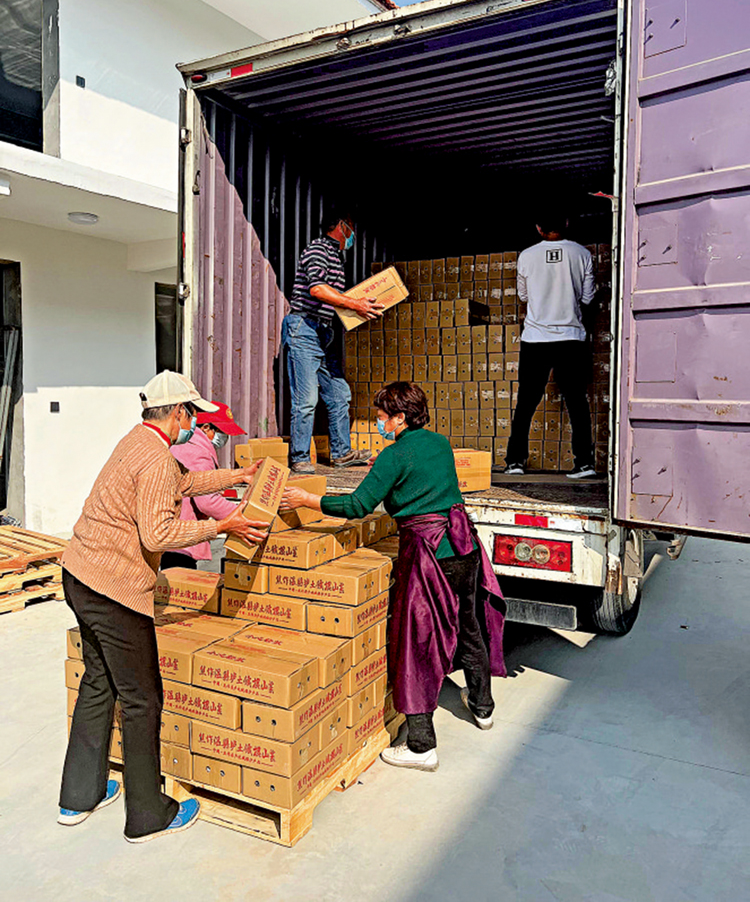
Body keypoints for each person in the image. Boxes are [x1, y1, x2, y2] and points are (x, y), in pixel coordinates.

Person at [58, 371, 269, 843]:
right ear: (177, 413)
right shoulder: (155, 458)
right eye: (191, 414)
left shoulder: (138, 441)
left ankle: (78, 795)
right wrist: (221, 527)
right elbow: (158, 535)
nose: (193, 423)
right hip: (114, 591)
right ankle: (148, 814)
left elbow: (184, 481)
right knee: (142, 699)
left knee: (98, 681)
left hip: (80, 575)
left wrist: (237, 476)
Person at [280, 381, 506, 772]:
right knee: (469, 625)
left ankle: (421, 746)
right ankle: (482, 707)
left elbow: (358, 505)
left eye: (382, 417)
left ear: (400, 417)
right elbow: (418, 477)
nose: (379, 423)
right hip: (464, 546)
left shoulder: (393, 455)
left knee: (416, 643)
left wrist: (307, 499)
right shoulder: (438, 443)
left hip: (429, 555)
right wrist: (385, 470)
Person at [283, 211, 383, 474]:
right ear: (341, 226)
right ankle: (299, 457)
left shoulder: (336, 257)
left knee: (339, 394)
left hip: (323, 332)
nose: (353, 234)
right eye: (351, 227)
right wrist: (355, 304)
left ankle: (341, 453)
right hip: (304, 329)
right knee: (306, 399)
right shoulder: (318, 249)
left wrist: (355, 306)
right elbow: (317, 288)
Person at [505, 210, 596, 479]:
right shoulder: (582, 254)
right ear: (566, 223)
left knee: (526, 401)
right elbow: (588, 297)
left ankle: (515, 462)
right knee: (577, 402)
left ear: (538, 228)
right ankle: (584, 464)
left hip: (536, 338)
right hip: (571, 337)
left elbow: (523, 296)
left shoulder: (526, 256)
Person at [162, 401, 247, 571]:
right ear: (207, 428)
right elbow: (207, 501)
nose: (225, 438)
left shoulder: (184, 443)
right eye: (222, 433)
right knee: (181, 580)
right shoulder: (198, 452)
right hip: (181, 538)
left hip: (169, 532)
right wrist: (243, 515)